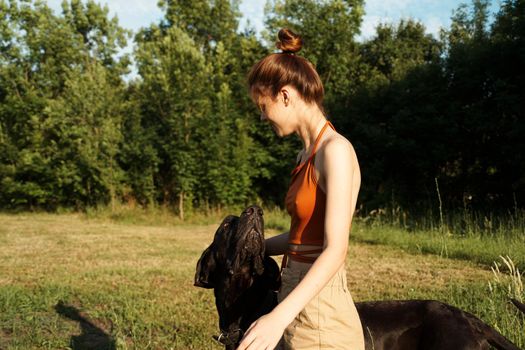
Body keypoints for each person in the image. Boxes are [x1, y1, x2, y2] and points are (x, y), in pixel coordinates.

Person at [237, 28, 365, 350]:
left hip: (322, 315)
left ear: (285, 95)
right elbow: (302, 237)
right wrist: (256, 248)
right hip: (294, 297)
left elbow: (335, 249)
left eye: (263, 106)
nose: (262, 116)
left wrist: (278, 317)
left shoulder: (334, 150)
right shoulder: (304, 155)